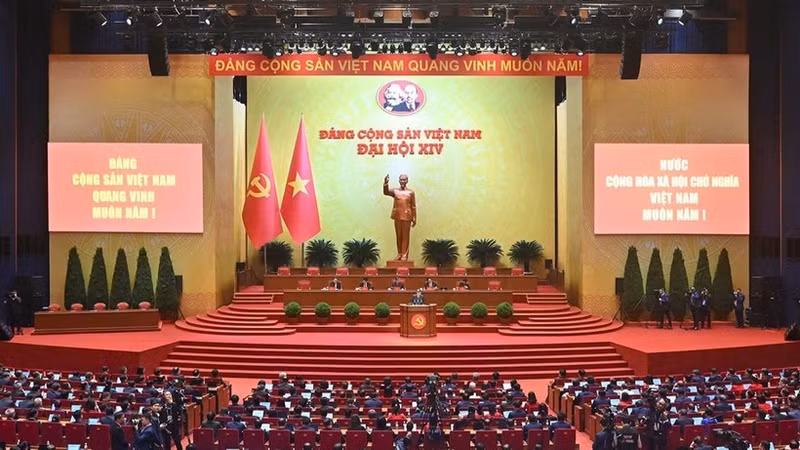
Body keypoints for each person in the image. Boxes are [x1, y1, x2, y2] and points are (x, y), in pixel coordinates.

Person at [383, 174, 416, 261]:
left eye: (404, 180)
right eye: (401, 180)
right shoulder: (395, 191)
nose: (402, 181)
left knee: (405, 236)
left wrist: (414, 218)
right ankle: (399, 254)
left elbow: (413, 206)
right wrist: (385, 183)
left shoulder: (411, 192)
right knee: (399, 236)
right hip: (397, 216)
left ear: (407, 181)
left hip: (407, 217)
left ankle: (404, 255)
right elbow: (386, 192)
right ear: (399, 180)